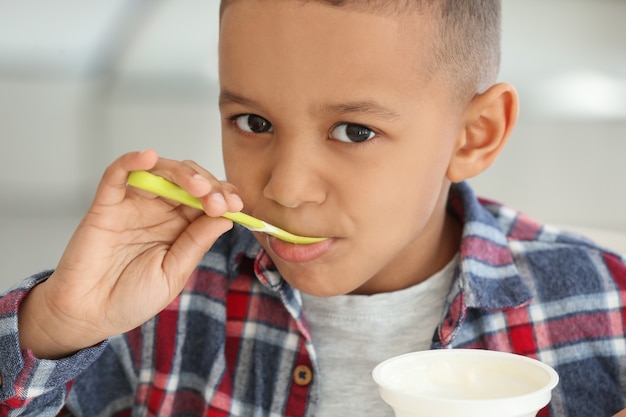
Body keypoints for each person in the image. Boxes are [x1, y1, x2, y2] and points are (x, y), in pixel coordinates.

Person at [1, 0, 625, 416]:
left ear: (474, 135)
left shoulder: (607, 308)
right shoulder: (152, 306)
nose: (289, 187)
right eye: (253, 121)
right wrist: (57, 328)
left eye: (354, 131)